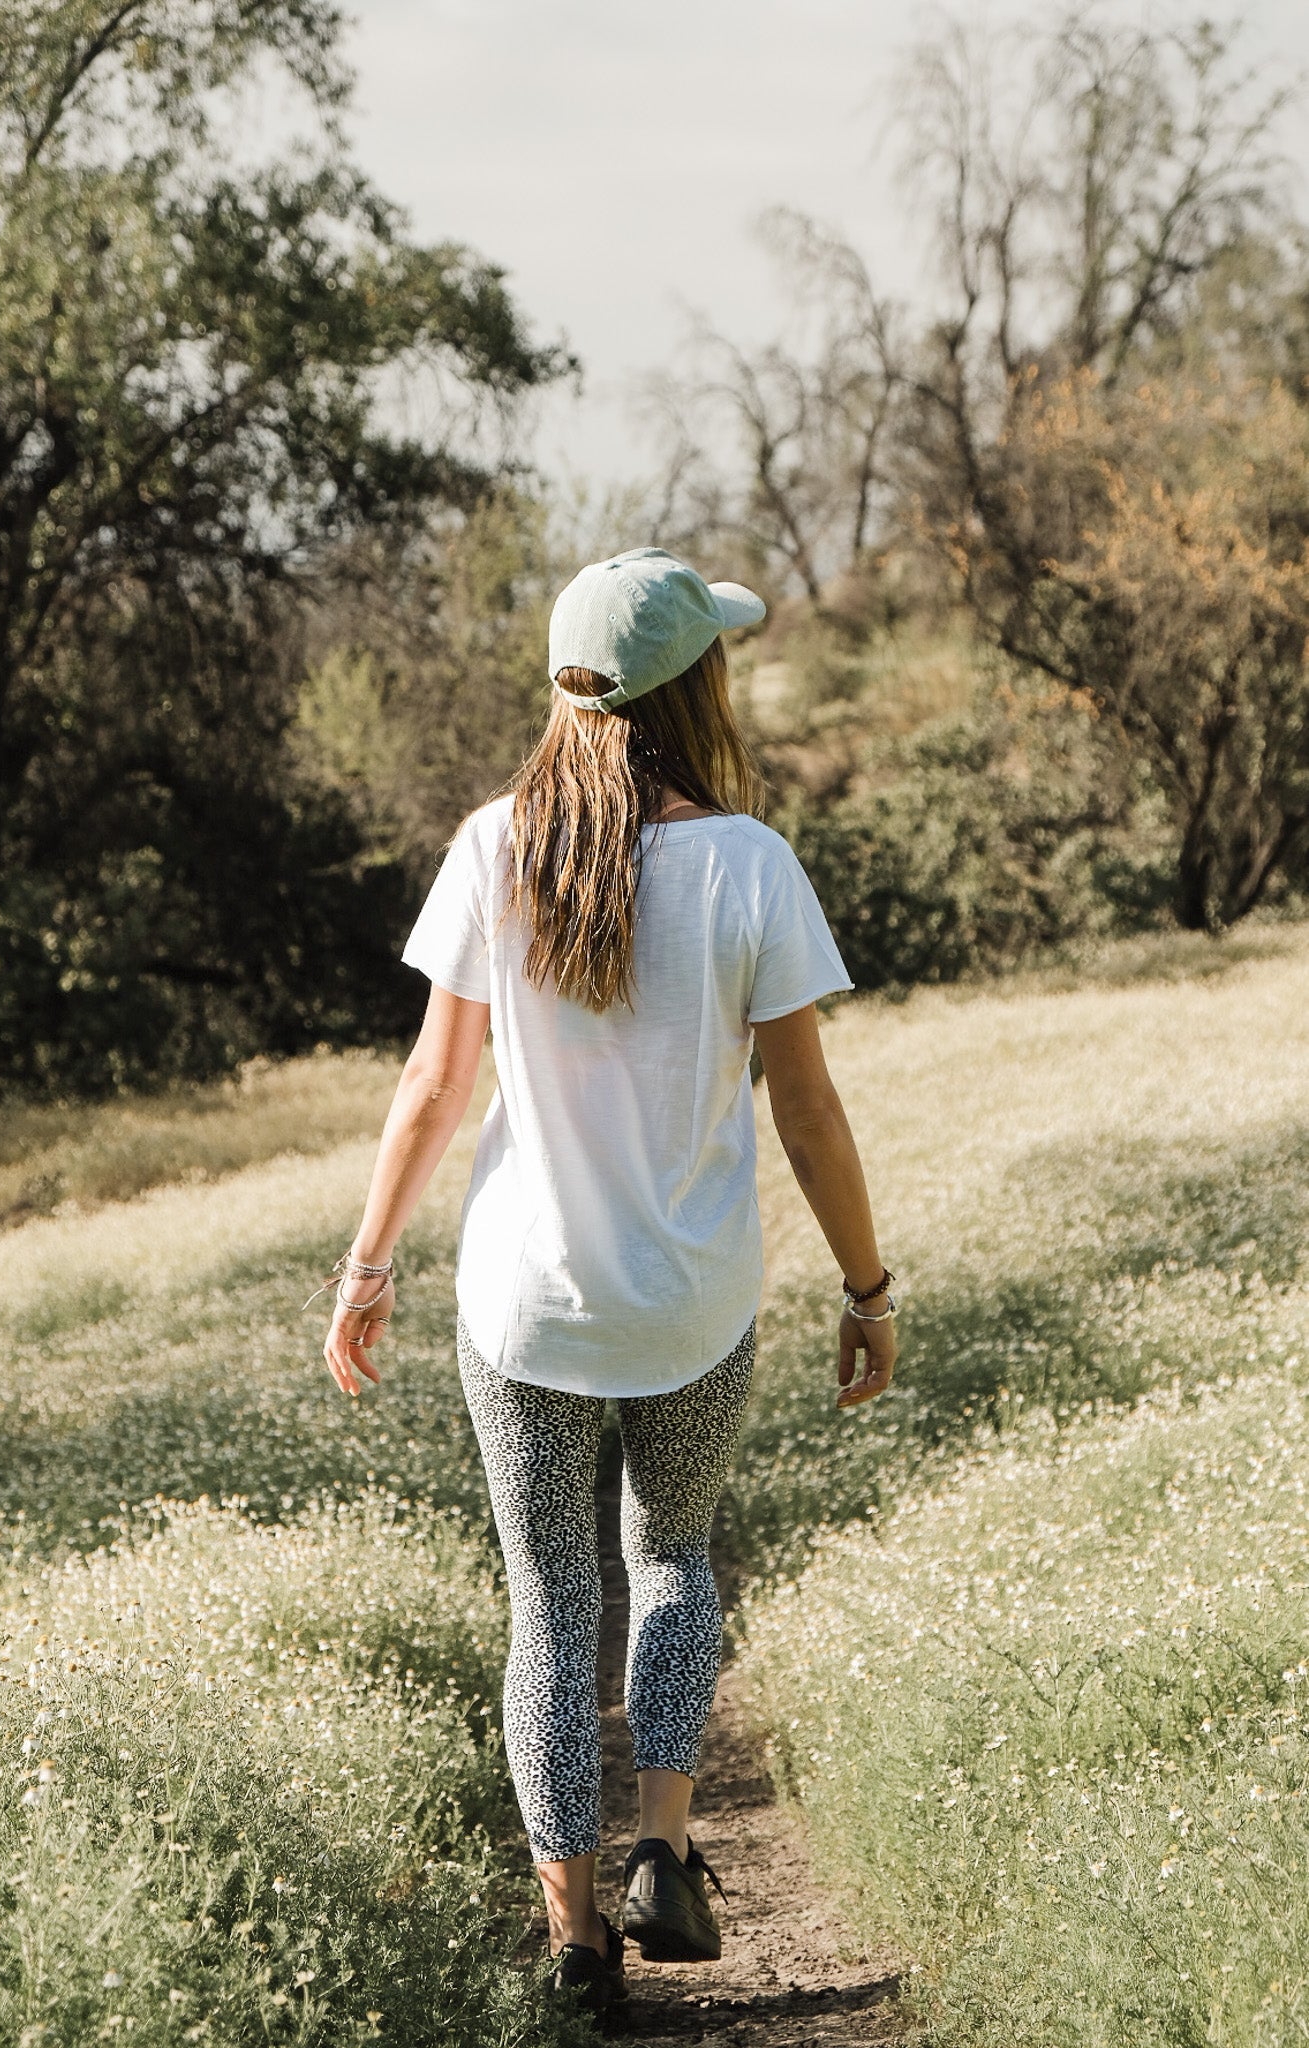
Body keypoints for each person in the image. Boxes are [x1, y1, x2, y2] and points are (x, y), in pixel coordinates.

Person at [318, 547, 897, 2024]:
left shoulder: (491, 845)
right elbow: (808, 1109)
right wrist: (864, 1285)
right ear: (690, 685)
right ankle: (667, 1848)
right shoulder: (750, 864)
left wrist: (368, 1264)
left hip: (522, 1306)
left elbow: (433, 1083)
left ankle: (574, 1936)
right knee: (673, 1564)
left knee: (548, 1606)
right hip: (692, 1303)